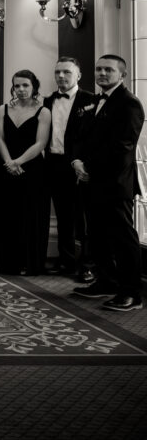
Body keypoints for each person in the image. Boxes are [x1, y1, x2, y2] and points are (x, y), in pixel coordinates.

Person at [71, 55, 145, 311]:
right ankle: (106, 281)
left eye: (108, 70)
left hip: (115, 182)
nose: (102, 73)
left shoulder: (130, 104)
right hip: (90, 181)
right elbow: (81, 137)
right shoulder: (94, 100)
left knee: (123, 238)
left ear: (122, 75)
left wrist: (89, 168)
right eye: (99, 69)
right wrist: (77, 161)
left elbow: (122, 147)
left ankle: (131, 293)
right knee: (97, 235)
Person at [44, 57, 97, 282]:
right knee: (63, 215)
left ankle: (87, 265)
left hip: (79, 164)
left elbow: (93, 137)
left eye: (66, 72)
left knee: (83, 217)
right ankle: (66, 260)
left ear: (78, 75)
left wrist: (83, 162)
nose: (61, 76)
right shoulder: (48, 101)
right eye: (58, 72)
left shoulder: (91, 100)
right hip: (54, 163)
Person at [0, 70, 51, 276]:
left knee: (30, 215)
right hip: (5, 167)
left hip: (32, 169)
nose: (21, 89)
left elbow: (41, 143)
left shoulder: (43, 111)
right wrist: (8, 161)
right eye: (17, 86)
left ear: (34, 86)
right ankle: (7, 262)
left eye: (25, 85)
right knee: (7, 215)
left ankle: (29, 262)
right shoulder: (3, 109)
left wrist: (18, 161)